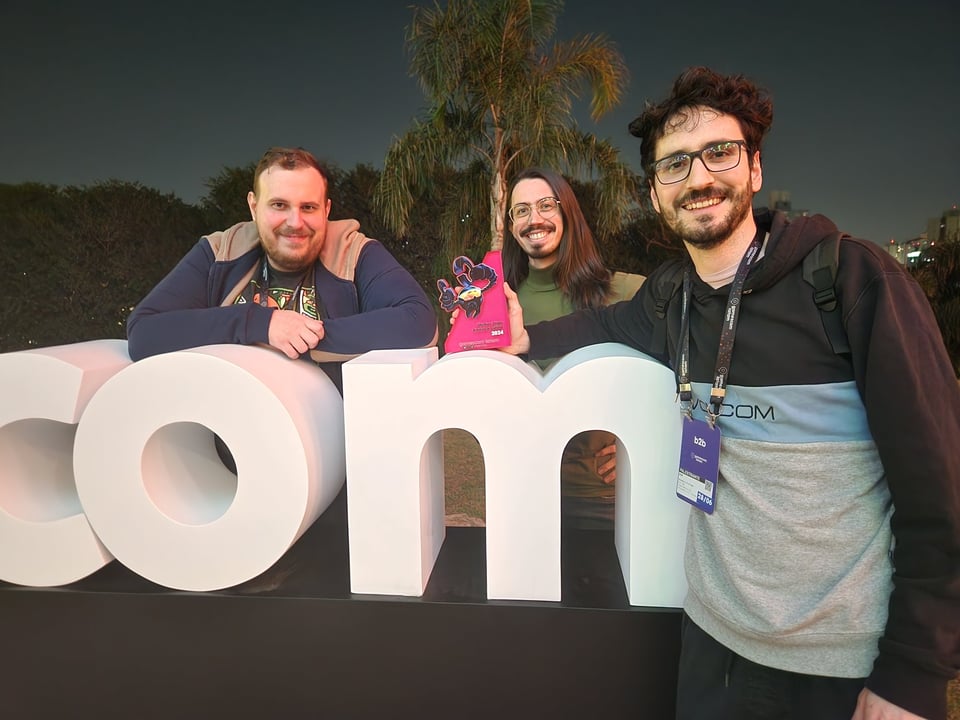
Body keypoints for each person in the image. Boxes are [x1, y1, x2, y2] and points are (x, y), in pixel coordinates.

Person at [497, 67, 960, 719]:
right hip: (713, 646)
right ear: (656, 193)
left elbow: (940, 489)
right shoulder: (671, 296)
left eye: (720, 152)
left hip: (843, 664)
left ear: (755, 167)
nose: (699, 177)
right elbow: (600, 323)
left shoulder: (851, 281)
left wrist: (913, 672)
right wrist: (523, 337)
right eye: (675, 164)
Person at [127, 147, 438, 390]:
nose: (295, 222)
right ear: (253, 206)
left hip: (324, 459)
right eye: (279, 205)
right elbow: (144, 332)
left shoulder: (354, 251)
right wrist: (259, 324)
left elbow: (418, 321)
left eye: (308, 207)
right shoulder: (220, 251)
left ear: (326, 210)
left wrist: (299, 338)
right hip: (220, 459)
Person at [502, 167, 644, 528]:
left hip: (605, 503)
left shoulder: (623, 293)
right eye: (521, 210)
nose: (535, 219)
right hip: (520, 500)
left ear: (567, 212)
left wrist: (648, 444)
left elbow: (689, 373)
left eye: (546, 205)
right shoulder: (500, 306)